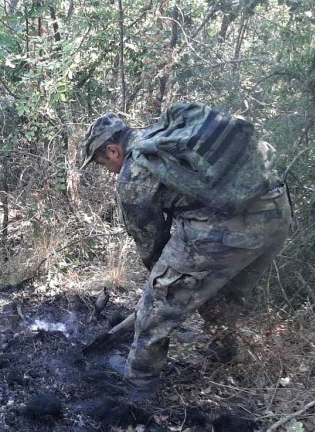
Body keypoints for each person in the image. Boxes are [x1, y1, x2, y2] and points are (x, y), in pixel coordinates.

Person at [80, 104, 293, 396]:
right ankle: (224, 354)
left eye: (103, 163)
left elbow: (148, 239)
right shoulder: (164, 139)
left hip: (228, 232)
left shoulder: (135, 172)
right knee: (223, 291)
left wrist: (160, 284)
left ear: (114, 150)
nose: (107, 170)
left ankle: (137, 388)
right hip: (276, 214)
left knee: (155, 308)